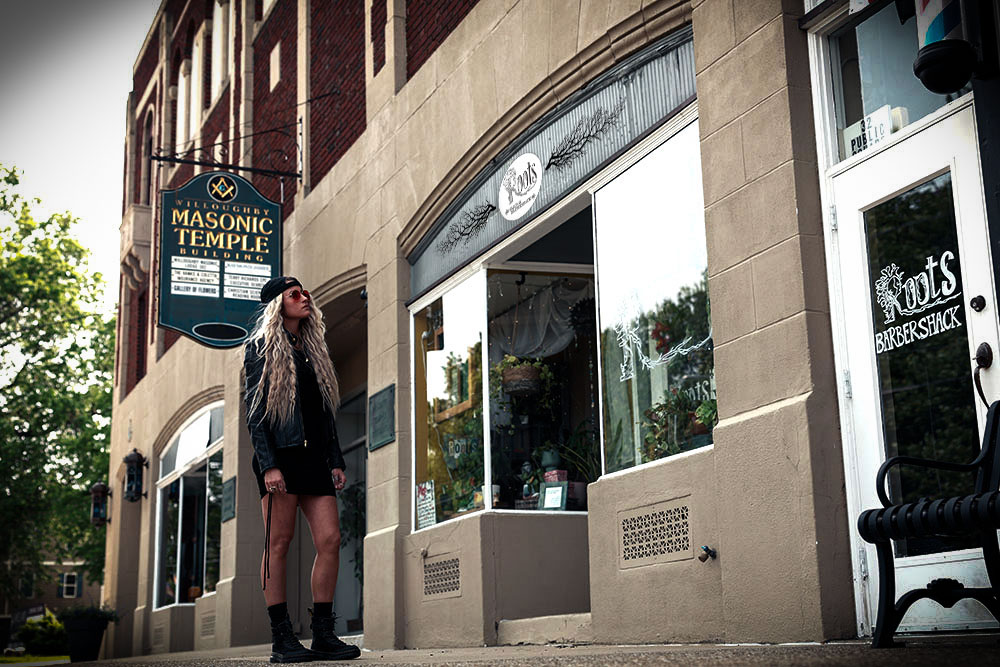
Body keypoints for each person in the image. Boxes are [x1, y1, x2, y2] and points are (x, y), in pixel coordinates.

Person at [244, 276, 361, 663]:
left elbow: (324, 411)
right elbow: (256, 414)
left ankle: (323, 633)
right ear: (278, 306)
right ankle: (281, 638)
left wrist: (336, 458)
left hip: (314, 460)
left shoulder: (312, 349)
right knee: (278, 543)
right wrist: (269, 465)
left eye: (305, 292)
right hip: (282, 458)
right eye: (294, 295)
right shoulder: (260, 348)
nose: (304, 298)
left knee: (330, 539)